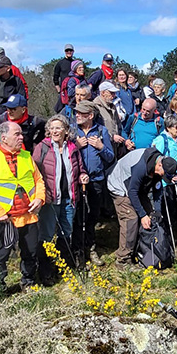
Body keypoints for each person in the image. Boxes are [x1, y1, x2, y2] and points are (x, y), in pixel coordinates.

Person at [0, 121, 45, 295]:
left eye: (21, 133)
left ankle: (28, 283)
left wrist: (39, 199)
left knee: (30, 252)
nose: (21, 137)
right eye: (17, 134)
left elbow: (38, 180)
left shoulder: (26, 156)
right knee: (1, 255)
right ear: (4, 137)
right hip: (5, 219)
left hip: (28, 216)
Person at [33, 114, 86, 280]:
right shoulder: (42, 147)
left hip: (69, 198)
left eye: (58, 127)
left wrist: (83, 176)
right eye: (52, 128)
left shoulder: (73, 148)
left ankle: (62, 265)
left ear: (66, 130)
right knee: (47, 234)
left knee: (66, 231)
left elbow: (80, 168)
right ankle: (45, 269)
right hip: (50, 199)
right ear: (48, 130)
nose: (55, 131)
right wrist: (41, 193)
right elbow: (34, 173)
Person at [72, 100, 115, 265]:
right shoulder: (72, 132)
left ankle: (91, 248)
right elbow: (64, 153)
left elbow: (110, 157)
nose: (77, 115)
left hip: (97, 180)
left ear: (90, 115)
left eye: (81, 113)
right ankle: (77, 250)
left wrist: (101, 146)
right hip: (77, 181)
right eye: (76, 112)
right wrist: (76, 145)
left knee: (93, 216)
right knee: (78, 216)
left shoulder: (101, 131)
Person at [107, 147, 148, 267]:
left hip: (130, 185)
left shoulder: (154, 163)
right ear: (159, 166)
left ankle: (137, 249)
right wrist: (143, 214)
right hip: (118, 186)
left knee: (147, 214)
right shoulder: (141, 167)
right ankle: (123, 259)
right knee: (130, 219)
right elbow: (133, 192)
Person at [0, 55, 28, 121]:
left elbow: (22, 100)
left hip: (12, 117)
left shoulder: (17, 81)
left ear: (8, 68)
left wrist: (13, 113)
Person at [94, 81, 133, 154]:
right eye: (111, 93)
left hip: (116, 147)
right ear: (102, 93)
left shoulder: (113, 107)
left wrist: (125, 140)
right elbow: (96, 129)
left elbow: (119, 127)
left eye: (114, 93)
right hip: (103, 148)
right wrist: (112, 137)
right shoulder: (95, 107)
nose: (114, 95)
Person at [52, 44, 77, 112]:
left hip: (74, 90)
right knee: (60, 109)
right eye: (67, 50)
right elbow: (55, 76)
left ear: (73, 51)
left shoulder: (75, 63)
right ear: (64, 51)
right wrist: (58, 89)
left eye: (70, 50)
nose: (69, 52)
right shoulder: (60, 63)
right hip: (63, 90)